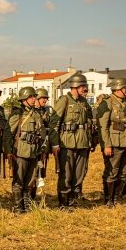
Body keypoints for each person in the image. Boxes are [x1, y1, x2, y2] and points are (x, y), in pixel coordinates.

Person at [49, 74, 93, 207]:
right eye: (82, 86)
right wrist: (55, 144)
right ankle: (64, 203)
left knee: (79, 173)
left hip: (83, 143)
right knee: (66, 174)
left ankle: (73, 200)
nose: (84, 89)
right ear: (75, 86)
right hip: (67, 144)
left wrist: (90, 141)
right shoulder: (64, 100)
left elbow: (89, 123)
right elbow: (54, 124)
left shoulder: (84, 102)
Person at [96, 77, 126, 206]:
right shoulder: (107, 102)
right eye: (125, 88)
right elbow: (102, 126)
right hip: (114, 142)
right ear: (118, 88)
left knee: (124, 172)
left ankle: (117, 197)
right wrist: (106, 145)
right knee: (112, 171)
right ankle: (109, 199)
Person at [9, 87, 48, 212]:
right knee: (18, 181)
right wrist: (9, 151)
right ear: (24, 99)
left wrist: (42, 149)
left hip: (34, 152)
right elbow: (9, 133)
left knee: (30, 181)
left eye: (34, 97)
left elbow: (42, 134)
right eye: (31, 97)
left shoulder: (36, 114)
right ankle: (18, 207)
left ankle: (27, 206)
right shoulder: (18, 114)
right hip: (20, 151)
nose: (33, 99)